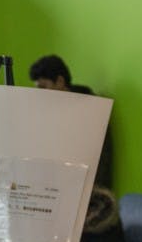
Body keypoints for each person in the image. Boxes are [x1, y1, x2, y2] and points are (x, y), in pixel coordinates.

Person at [28, 54, 113, 187]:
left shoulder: (92, 110)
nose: (40, 94)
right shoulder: (51, 111)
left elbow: (100, 158)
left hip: (86, 189)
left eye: (43, 87)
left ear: (60, 81)